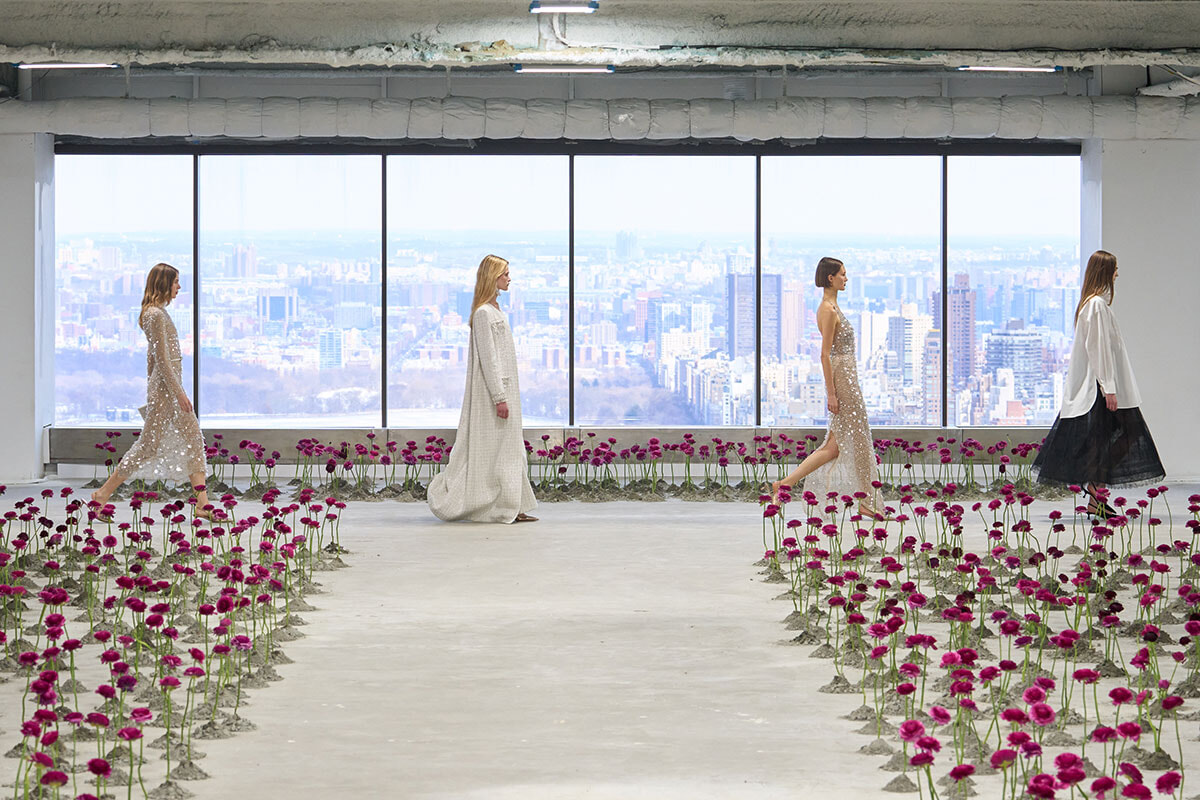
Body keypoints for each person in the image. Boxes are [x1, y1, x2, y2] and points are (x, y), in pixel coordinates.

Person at [1033, 250, 1164, 515]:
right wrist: (1109, 389)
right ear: (1105, 271)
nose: (1118, 273)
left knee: (1103, 440)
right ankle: (1094, 487)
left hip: (1099, 388)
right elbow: (1099, 350)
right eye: (1115, 268)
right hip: (1097, 390)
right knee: (1125, 433)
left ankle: (1095, 495)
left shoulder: (1095, 305)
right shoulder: (1096, 306)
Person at [90, 262, 211, 519]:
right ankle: (102, 494)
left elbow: (152, 360)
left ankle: (202, 504)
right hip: (167, 390)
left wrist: (159, 387)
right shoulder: (155, 315)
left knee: (193, 439)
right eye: (176, 282)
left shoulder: (157, 313)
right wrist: (177, 393)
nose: (179, 287)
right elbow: (162, 360)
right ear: (164, 283)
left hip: (166, 387)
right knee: (148, 446)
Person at [427, 255, 538, 524]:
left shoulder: (494, 310)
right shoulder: (483, 314)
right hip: (495, 395)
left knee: (510, 450)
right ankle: (496, 506)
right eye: (505, 274)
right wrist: (498, 397)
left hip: (506, 390)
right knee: (496, 451)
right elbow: (489, 359)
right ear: (493, 278)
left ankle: (512, 505)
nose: (509, 279)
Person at [770, 257, 884, 518]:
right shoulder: (828, 310)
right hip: (842, 381)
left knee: (835, 447)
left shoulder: (832, 306)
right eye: (842, 274)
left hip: (847, 377)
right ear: (830, 278)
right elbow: (824, 354)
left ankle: (784, 485)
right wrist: (832, 393)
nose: (846, 278)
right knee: (856, 440)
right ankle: (865, 500)